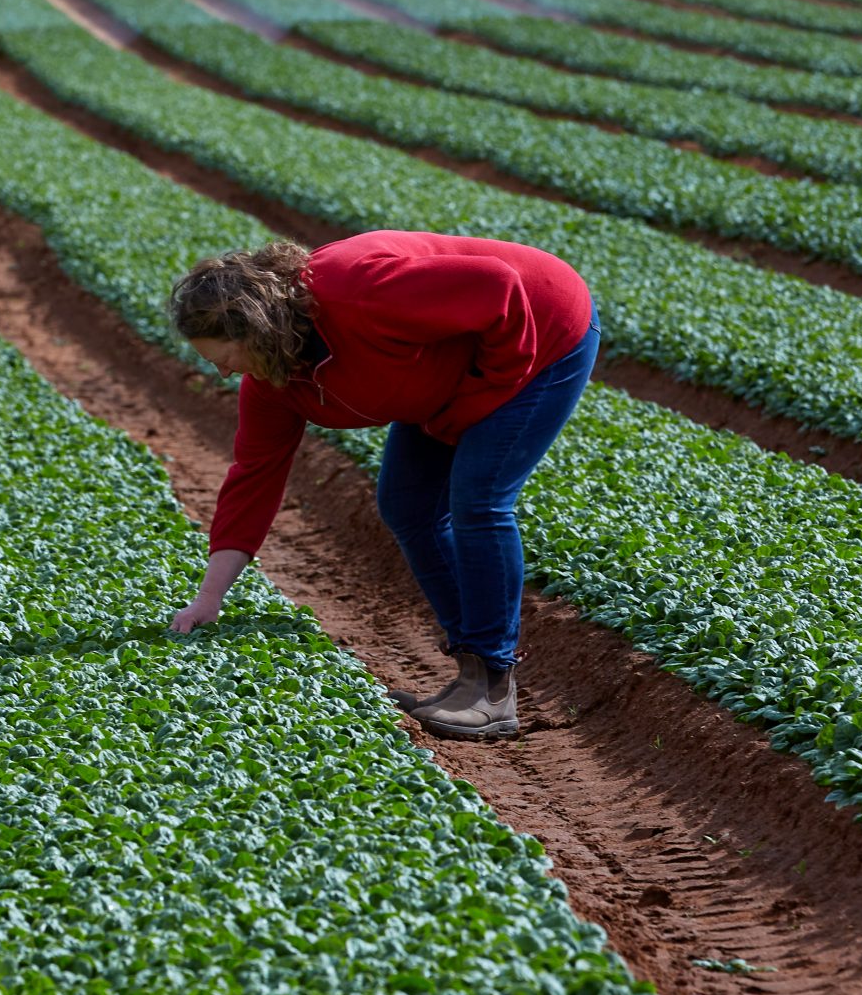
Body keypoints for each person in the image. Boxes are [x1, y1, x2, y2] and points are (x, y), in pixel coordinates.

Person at [167, 230, 600, 739]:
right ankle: (471, 673)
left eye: (224, 357)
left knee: (479, 499)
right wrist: (208, 598)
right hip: (446, 372)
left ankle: (493, 690)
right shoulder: (274, 382)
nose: (221, 373)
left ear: (259, 330)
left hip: (542, 333)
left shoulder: (357, 293)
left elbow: (500, 287)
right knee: (407, 505)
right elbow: (253, 476)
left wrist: (479, 400)